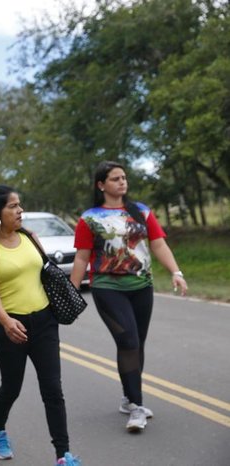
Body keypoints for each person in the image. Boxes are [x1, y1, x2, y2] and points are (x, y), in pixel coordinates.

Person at [70, 160, 188, 433]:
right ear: (101, 185)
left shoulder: (141, 212)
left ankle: (128, 397)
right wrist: (72, 290)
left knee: (137, 344)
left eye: (124, 177)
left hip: (141, 286)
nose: (122, 182)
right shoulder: (89, 218)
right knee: (128, 340)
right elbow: (81, 256)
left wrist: (176, 271)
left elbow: (158, 244)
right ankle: (136, 406)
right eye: (115, 178)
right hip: (107, 288)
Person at [0, 185, 81, 466]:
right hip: (11, 327)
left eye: (20, 205)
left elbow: (46, 274)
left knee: (53, 390)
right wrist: (6, 321)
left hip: (45, 322)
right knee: (11, 387)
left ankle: (63, 454)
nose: (20, 211)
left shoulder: (30, 237)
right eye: (13, 206)